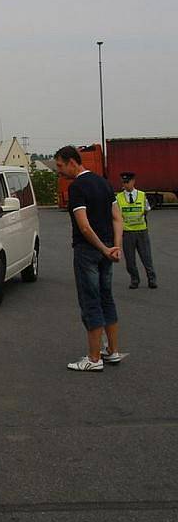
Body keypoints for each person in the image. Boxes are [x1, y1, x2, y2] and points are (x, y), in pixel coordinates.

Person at [55, 146, 124, 372]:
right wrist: (116, 247)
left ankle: (94, 358)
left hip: (88, 251)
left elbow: (84, 226)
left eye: (60, 165)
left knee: (90, 301)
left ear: (72, 162)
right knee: (107, 298)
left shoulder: (77, 188)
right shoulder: (104, 183)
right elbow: (117, 217)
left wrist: (103, 249)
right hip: (106, 250)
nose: (59, 171)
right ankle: (112, 351)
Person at [117, 171, 157, 289]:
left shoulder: (142, 195)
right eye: (124, 183)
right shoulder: (118, 197)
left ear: (133, 182)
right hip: (127, 232)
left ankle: (152, 279)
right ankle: (134, 280)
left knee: (146, 257)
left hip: (141, 231)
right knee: (130, 260)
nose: (125, 185)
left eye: (127, 182)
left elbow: (147, 209)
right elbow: (117, 215)